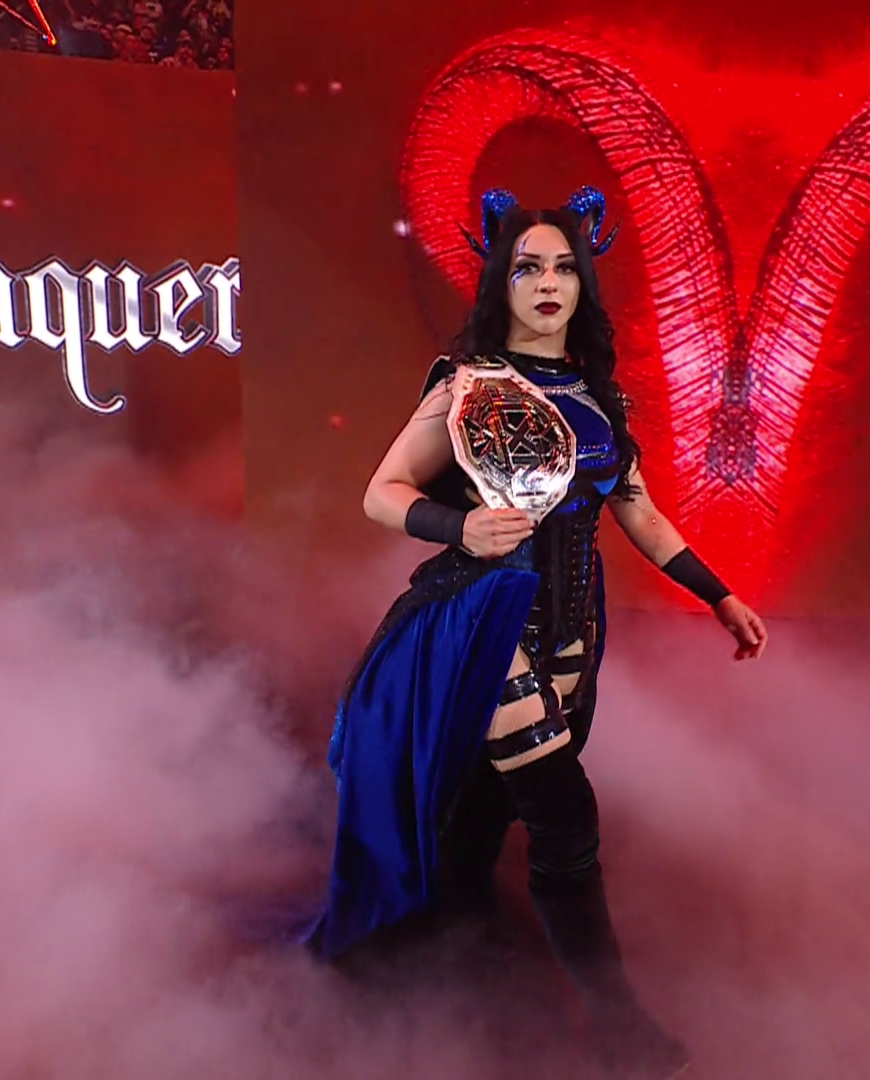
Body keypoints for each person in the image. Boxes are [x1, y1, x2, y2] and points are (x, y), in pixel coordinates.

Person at [302, 188, 767, 1078]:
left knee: (484, 820)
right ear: (501, 282)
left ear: (582, 283)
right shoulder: (466, 383)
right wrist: (460, 526)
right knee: (564, 813)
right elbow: (381, 493)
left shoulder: (599, 397)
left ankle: (445, 968)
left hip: (572, 632)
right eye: (527, 268)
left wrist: (718, 596)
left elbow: (641, 514)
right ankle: (620, 1028)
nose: (548, 283)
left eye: (563, 267)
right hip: (484, 621)